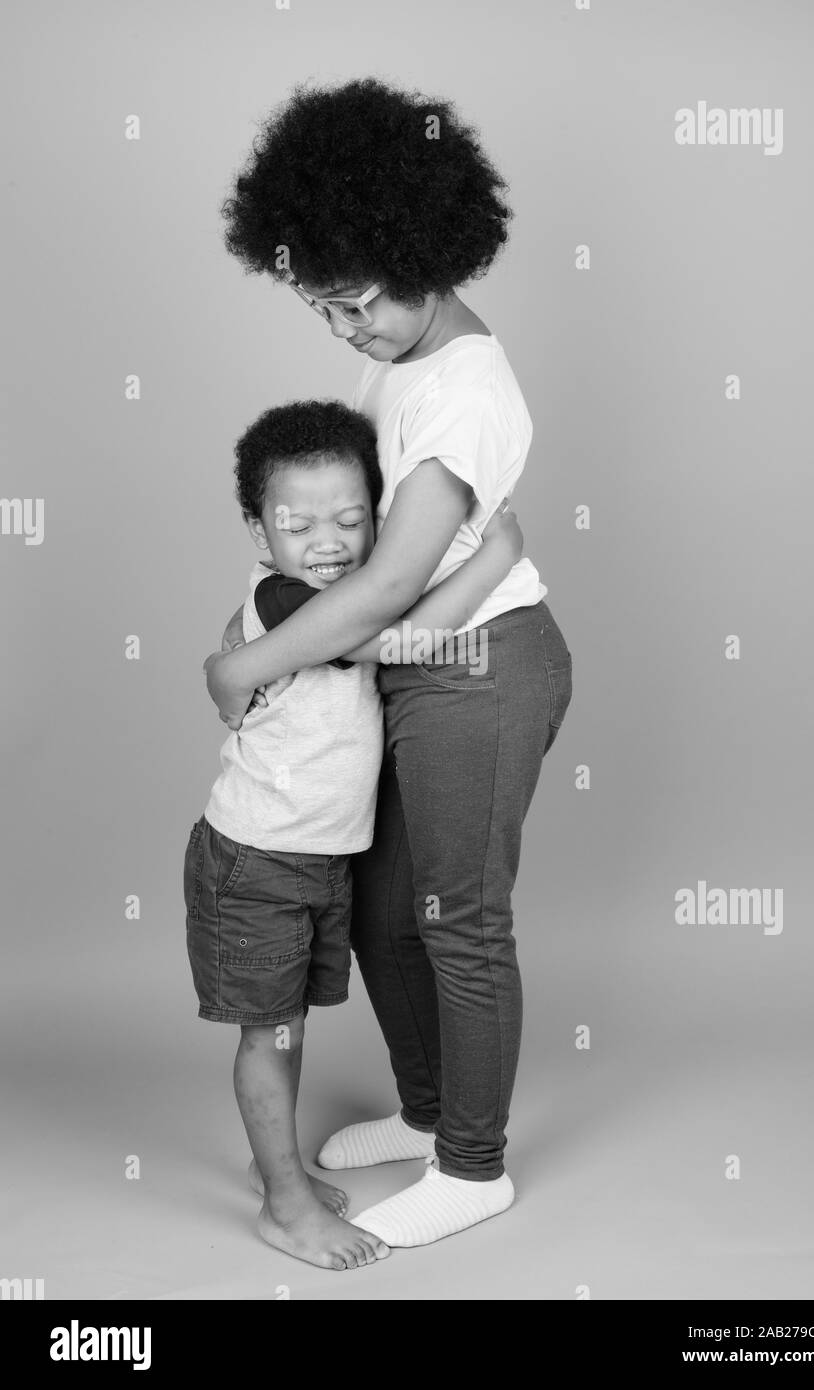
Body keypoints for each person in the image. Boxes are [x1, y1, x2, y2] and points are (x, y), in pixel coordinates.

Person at [206, 77, 573, 1248]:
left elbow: (381, 587)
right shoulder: (399, 360)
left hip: (482, 667)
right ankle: (431, 1113)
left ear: (425, 247)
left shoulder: (467, 384)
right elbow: (353, 564)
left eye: (355, 303)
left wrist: (240, 668)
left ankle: (475, 1166)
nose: (344, 331)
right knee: (380, 909)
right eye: (321, 310)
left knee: (459, 920)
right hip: (409, 668)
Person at [187, 398, 522, 1270]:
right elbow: (402, 637)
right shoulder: (289, 600)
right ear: (261, 536)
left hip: (314, 860)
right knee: (269, 1032)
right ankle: (285, 1204)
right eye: (298, 525)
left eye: (352, 519)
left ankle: (280, 1171)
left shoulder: (321, 594)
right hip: (255, 862)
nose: (327, 541)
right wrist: (496, 559)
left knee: (289, 1026)